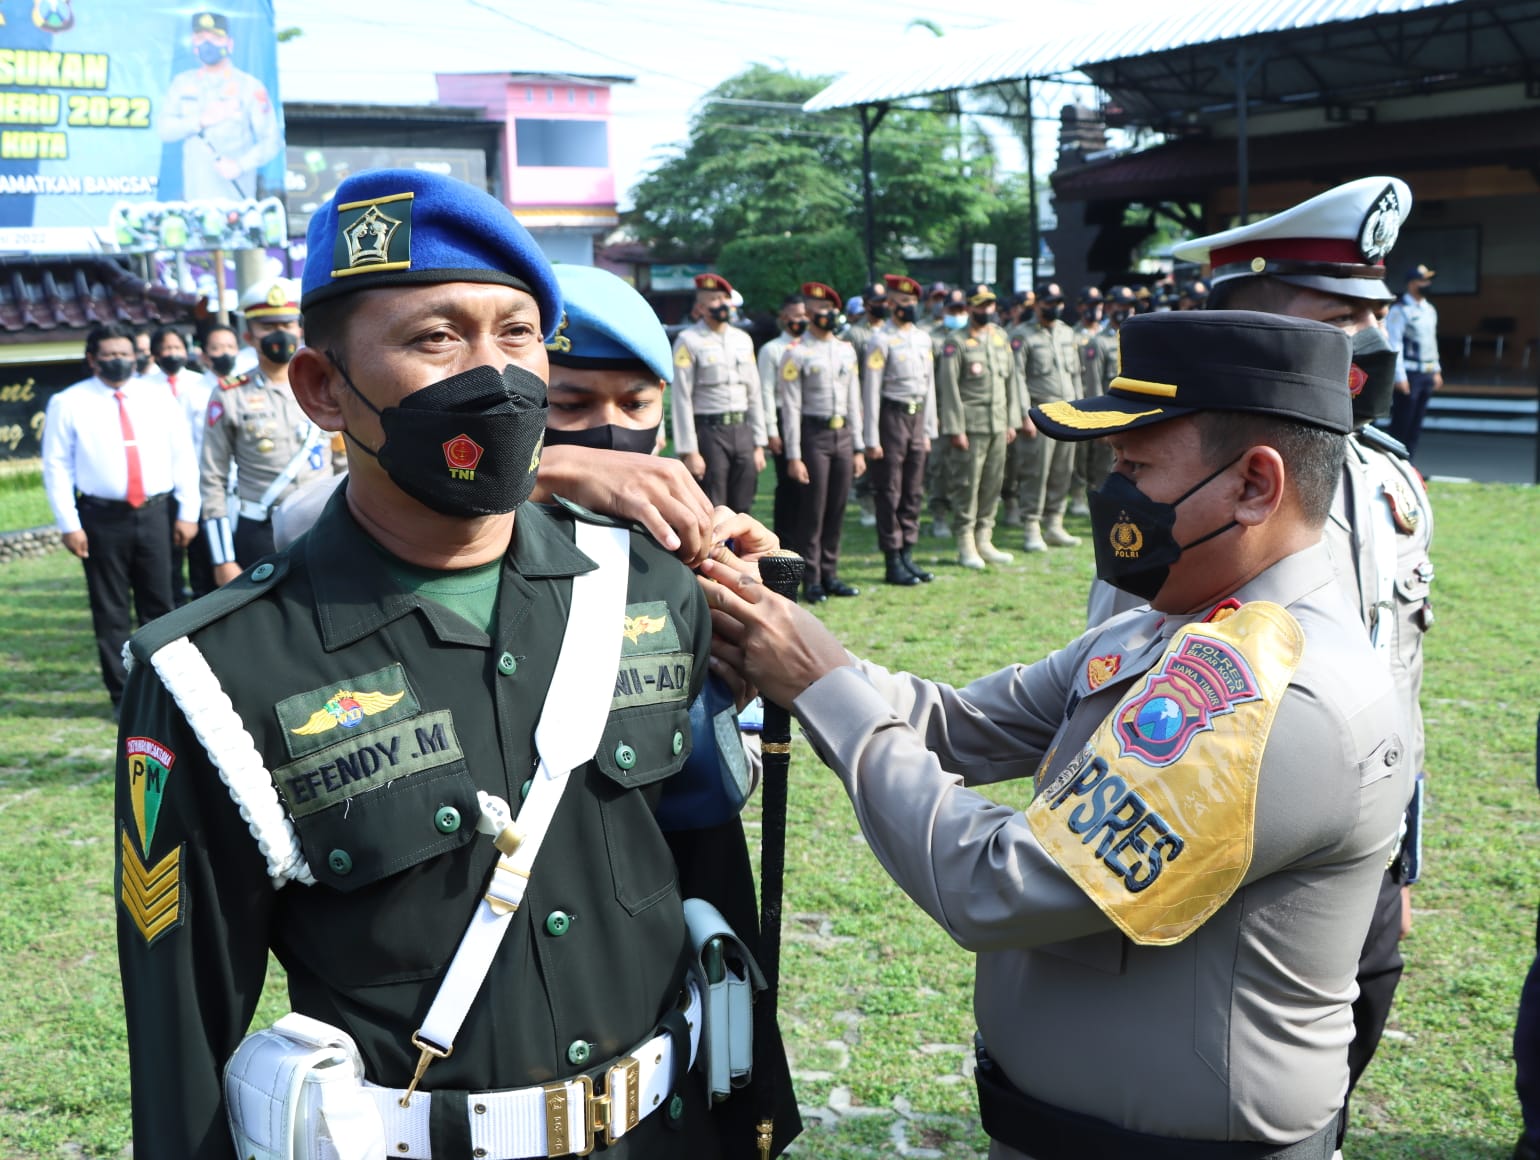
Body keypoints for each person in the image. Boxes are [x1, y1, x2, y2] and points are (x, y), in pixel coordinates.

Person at [114, 168, 799, 1160]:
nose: (496, 373)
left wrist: (749, 1110)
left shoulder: (649, 587)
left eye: (517, 333)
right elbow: (184, 1027)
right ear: (321, 388)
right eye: (436, 338)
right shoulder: (214, 671)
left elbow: (701, 875)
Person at [702, 309, 1409, 1160]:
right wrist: (771, 622)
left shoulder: (1284, 697)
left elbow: (996, 884)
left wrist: (817, 684)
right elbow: (953, 724)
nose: (1111, 491)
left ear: (1255, 485)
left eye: (1136, 465)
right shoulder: (1171, 621)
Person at [1172, 175, 1431, 1154]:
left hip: (1359, 860)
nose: (1373, 335)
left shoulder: (1391, 480)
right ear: (1253, 324)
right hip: (1236, 853)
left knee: (1337, 1076)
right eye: (1339, 315)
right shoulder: (1196, 488)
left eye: (1376, 309)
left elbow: (1404, 681)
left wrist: (1403, 849)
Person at [40, 323, 199, 718]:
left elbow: (183, 455)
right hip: (101, 518)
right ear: (92, 359)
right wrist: (68, 523)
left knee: (161, 605)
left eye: (124, 354)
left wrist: (188, 512)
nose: (118, 361)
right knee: (110, 610)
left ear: (137, 356)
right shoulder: (68, 402)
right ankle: (122, 697)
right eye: (109, 355)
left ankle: (166, 690)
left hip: (156, 513)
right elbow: (56, 466)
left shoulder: (159, 396)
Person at [200, 277, 334, 584]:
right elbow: (212, 478)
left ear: (300, 328)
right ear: (249, 335)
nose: (280, 333)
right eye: (268, 325)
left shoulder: (326, 386)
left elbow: (343, 462)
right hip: (261, 529)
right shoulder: (229, 394)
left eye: (287, 324)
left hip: (323, 522)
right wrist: (223, 558)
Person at [777, 282, 864, 602]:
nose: (824, 314)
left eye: (828, 308)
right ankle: (811, 577)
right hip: (813, 434)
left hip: (842, 434)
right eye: (818, 309)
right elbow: (791, 407)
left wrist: (858, 446)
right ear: (809, 313)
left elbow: (855, 400)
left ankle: (830, 573)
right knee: (812, 509)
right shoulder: (796, 352)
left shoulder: (845, 349)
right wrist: (794, 455)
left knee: (837, 507)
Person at [934, 283, 1020, 570]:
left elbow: (1011, 383)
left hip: (997, 424)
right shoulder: (956, 342)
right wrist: (955, 428)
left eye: (990, 305)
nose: (986, 310)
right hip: (971, 427)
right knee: (967, 484)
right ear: (970, 307)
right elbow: (948, 388)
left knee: (993, 483)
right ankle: (965, 541)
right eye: (980, 305)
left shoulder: (1000, 337)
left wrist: (1012, 421)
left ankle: (985, 537)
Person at [156, 10, 281, 200]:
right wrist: (200, 120)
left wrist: (240, 165)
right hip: (194, 198)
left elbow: (272, 141)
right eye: (201, 37)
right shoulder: (182, 84)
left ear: (229, 44)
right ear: (193, 43)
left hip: (236, 199)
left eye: (215, 37)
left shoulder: (249, 87)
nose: (208, 43)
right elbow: (164, 130)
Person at [862, 273, 937, 586]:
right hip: (890, 417)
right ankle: (892, 558)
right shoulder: (880, 340)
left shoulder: (923, 338)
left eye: (913, 302)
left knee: (913, 490)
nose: (909, 308)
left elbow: (929, 386)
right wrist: (870, 437)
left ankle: (908, 552)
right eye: (903, 302)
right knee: (890, 490)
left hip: (917, 417)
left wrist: (929, 428)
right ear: (891, 304)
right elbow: (870, 390)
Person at [670, 273, 766, 511]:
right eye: (714, 300)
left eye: (725, 298)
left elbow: (754, 393)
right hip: (710, 432)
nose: (722, 304)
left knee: (744, 504)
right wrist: (689, 450)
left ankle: (741, 549)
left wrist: (758, 444)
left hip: (742, 430)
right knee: (713, 504)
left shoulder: (743, 339)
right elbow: (681, 397)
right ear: (701, 308)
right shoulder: (688, 340)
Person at [144, 324, 217, 601]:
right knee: (167, 553)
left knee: (200, 548)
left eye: (177, 348)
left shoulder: (198, 384)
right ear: (155, 354)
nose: (172, 354)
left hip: (197, 478)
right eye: (166, 349)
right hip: (164, 480)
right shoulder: (143, 388)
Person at [1014, 282, 1082, 552]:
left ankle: (1054, 523)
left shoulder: (1067, 333)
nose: (1054, 307)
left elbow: (1075, 373)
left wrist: (1080, 409)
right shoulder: (1023, 335)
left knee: (1062, 470)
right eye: (1048, 302)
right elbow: (1017, 377)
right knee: (1036, 471)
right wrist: (1023, 414)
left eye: (1058, 302)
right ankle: (1031, 525)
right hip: (1039, 412)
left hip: (1066, 413)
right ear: (1037, 304)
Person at [757, 293, 807, 538]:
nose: (802, 320)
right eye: (796, 315)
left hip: (809, 420)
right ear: (784, 317)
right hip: (782, 416)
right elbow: (765, 390)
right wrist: (771, 430)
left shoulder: (811, 348)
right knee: (789, 485)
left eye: (804, 315)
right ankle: (786, 538)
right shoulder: (773, 349)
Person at [1384, 263, 1443, 459]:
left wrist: (1436, 370)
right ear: (1412, 284)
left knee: (1416, 425)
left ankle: (1410, 463)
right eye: (1423, 280)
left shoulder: (1429, 310)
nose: (1428, 284)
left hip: (1426, 372)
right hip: (1409, 374)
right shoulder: (1400, 310)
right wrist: (1399, 376)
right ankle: (1394, 462)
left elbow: (1431, 342)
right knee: (1402, 423)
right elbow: (1395, 344)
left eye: (1428, 280)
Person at [925, 288, 970, 538]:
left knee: (965, 468)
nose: (959, 314)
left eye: (962, 310)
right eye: (953, 310)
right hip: (942, 410)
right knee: (940, 466)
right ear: (944, 310)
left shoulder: (970, 335)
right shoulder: (932, 338)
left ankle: (962, 516)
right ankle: (939, 514)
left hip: (969, 411)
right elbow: (929, 379)